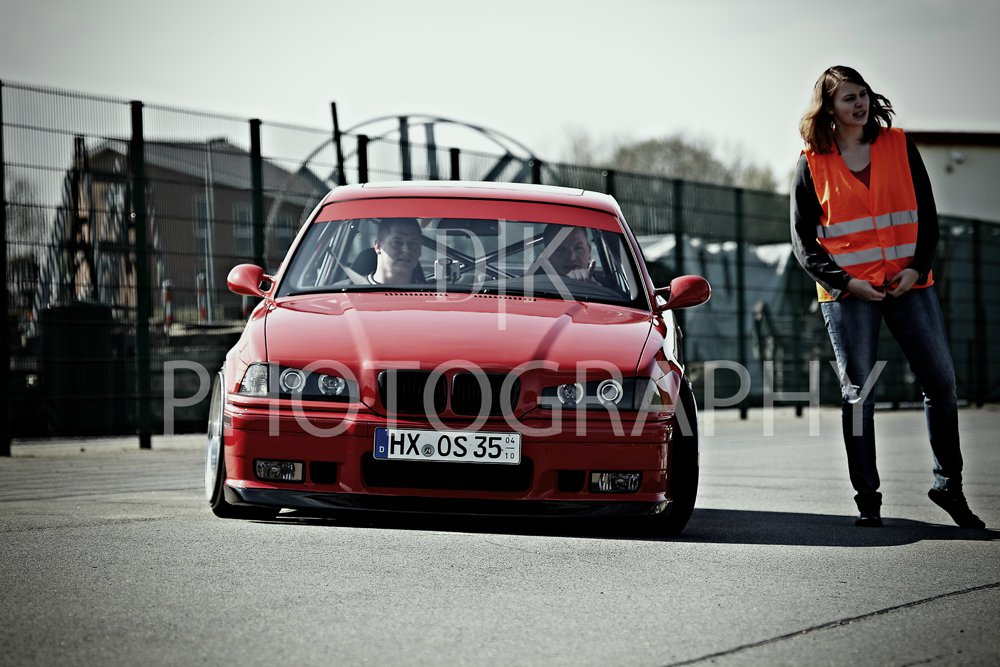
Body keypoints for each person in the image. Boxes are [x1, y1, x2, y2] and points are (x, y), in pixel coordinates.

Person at [790, 65, 985, 529]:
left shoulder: (899, 144)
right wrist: (844, 282)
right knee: (860, 394)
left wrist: (916, 267)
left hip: (909, 284)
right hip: (849, 294)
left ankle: (948, 487)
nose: (859, 103)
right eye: (848, 98)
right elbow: (803, 242)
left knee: (941, 383)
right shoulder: (811, 163)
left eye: (863, 94)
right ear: (829, 111)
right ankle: (867, 499)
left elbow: (928, 217)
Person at [369, 218, 423, 285]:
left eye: (414, 243)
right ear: (378, 246)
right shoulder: (355, 290)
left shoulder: (429, 293)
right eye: (397, 242)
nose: (406, 250)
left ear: (420, 250)